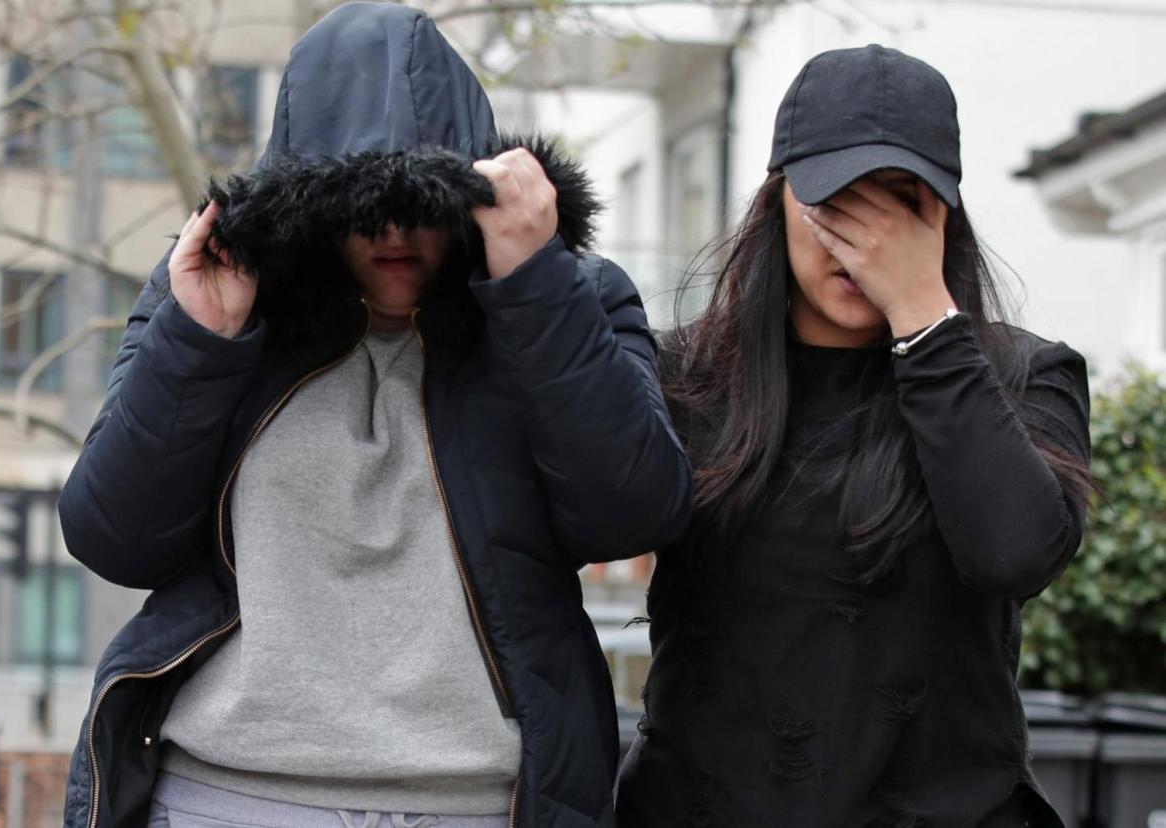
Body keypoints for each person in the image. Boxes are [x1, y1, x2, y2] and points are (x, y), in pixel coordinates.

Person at [58, 4, 691, 828]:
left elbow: (636, 511)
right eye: (362, 198)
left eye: (422, 197)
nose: (394, 229)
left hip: (475, 805)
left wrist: (533, 290)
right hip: (225, 795)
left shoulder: (569, 298)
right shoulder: (216, 302)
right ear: (309, 196)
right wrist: (202, 340)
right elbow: (114, 536)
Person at [615, 45, 1091, 827]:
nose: (864, 238)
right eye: (836, 199)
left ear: (944, 217)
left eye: (900, 202)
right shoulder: (681, 372)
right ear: (778, 204)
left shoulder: (1023, 375)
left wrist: (925, 321)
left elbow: (1016, 554)